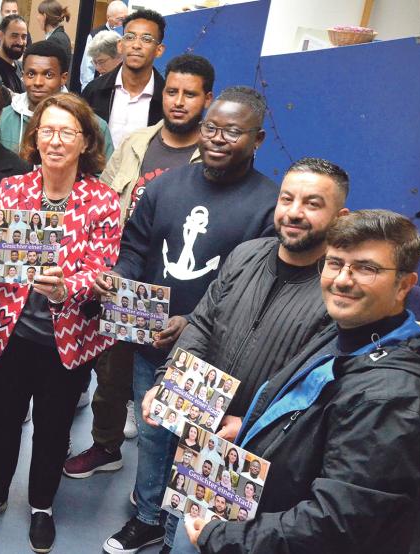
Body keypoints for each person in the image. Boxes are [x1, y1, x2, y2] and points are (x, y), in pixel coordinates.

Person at [96, 86, 279, 554]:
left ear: (257, 140)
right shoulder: (164, 186)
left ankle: (186, 537)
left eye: (232, 132)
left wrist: (192, 321)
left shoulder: (269, 204)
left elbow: (257, 287)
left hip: (216, 358)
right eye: (211, 128)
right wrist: (122, 285)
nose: (217, 139)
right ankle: (148, 517)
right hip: (151, 342)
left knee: (200, 449)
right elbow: (135, 248)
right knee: (154, 435)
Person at [178, 210, 420, 554]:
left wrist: (222, 536)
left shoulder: (389, 398)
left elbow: (337, 524)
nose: (342, 279)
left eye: (366, 268)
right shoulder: (344, 334)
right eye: (335, 263)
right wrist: (251, 425)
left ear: (404, 285)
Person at [0, 93, 121, 554]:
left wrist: (66, 288)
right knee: (2, 420)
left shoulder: (102, 200)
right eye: (46, 130)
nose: (55, 141)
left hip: (65, 340)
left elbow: (101, 271)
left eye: (66, 132)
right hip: (9, 334)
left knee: (53, 429)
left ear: (85, 140)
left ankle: (42, 506)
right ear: (35, 137)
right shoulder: (14, 189)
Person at [64, 54, 215, 483]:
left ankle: (155, 481)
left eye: (190, 94)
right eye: (172, 92)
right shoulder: (136, 142)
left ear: (206, 99)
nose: (179, 102)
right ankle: (106, 446)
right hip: (126, 276)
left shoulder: (212, 158)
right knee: (111, 375)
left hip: (180, 290)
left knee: (167, 387)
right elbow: (106, 199)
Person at [142, 157, 350, 446]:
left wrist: (251, 423)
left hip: (269, 444)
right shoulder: (245, 255)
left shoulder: (340, 292)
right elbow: (202, 326)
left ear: (340, 218)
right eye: (286, 199)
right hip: (202, 426)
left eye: (312, 204)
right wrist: (170, 382)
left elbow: (316, 386)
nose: (294, 212)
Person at [0, 41, 113, 160]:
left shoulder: (93, 125)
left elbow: (104, 175)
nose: (38, 82)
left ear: (63, 78)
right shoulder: (3, 119)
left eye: (48, 75)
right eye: (31, 74)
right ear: (23, 75)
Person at [82, 8, 167, 149]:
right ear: (120, 46)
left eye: (146, 39)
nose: (136, 45)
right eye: (130, 37)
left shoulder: (166, 99)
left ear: (159, 50)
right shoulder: (94, 91)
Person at [79, 0, 127, 87]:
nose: (124, 22)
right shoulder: (95, 35)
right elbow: (87, 68)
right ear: (108, 17)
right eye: (120, 19)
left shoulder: (126, 35)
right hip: (99, 85)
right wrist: (87, 91)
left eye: (126, 19)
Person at [0, 14, 29, 94]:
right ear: (1, 36)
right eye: (14, 36)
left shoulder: (21, 67)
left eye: (23, 37)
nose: (20, 42)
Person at [0, 0, 31, 65]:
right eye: (7, 11)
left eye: (14, 11)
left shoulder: (25, 32)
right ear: (1, 12)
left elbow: (30, 56)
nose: (11, 14)